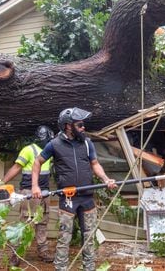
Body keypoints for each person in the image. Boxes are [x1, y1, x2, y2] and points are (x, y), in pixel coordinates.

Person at [31, 107, 117, 271]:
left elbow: (95, 164)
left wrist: (106, 179)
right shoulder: (54, 144)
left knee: (89, 235)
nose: (83, 128)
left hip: (87, 197)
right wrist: (35, 186)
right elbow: (37, 163)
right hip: (68, 197)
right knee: (65, 236)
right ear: (68, 126)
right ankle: (61, 267)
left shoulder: (86, 142)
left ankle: (89, 267)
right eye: (80, 125)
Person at [1, 125, 55, 266]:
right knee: (25, 222)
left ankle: (42, 250)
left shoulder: (48, 151)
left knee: (43, 221)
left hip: (44, 192)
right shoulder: (28, 150)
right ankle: (16, 254)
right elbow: (16, 167)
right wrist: (2, 182)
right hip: (29, 192)